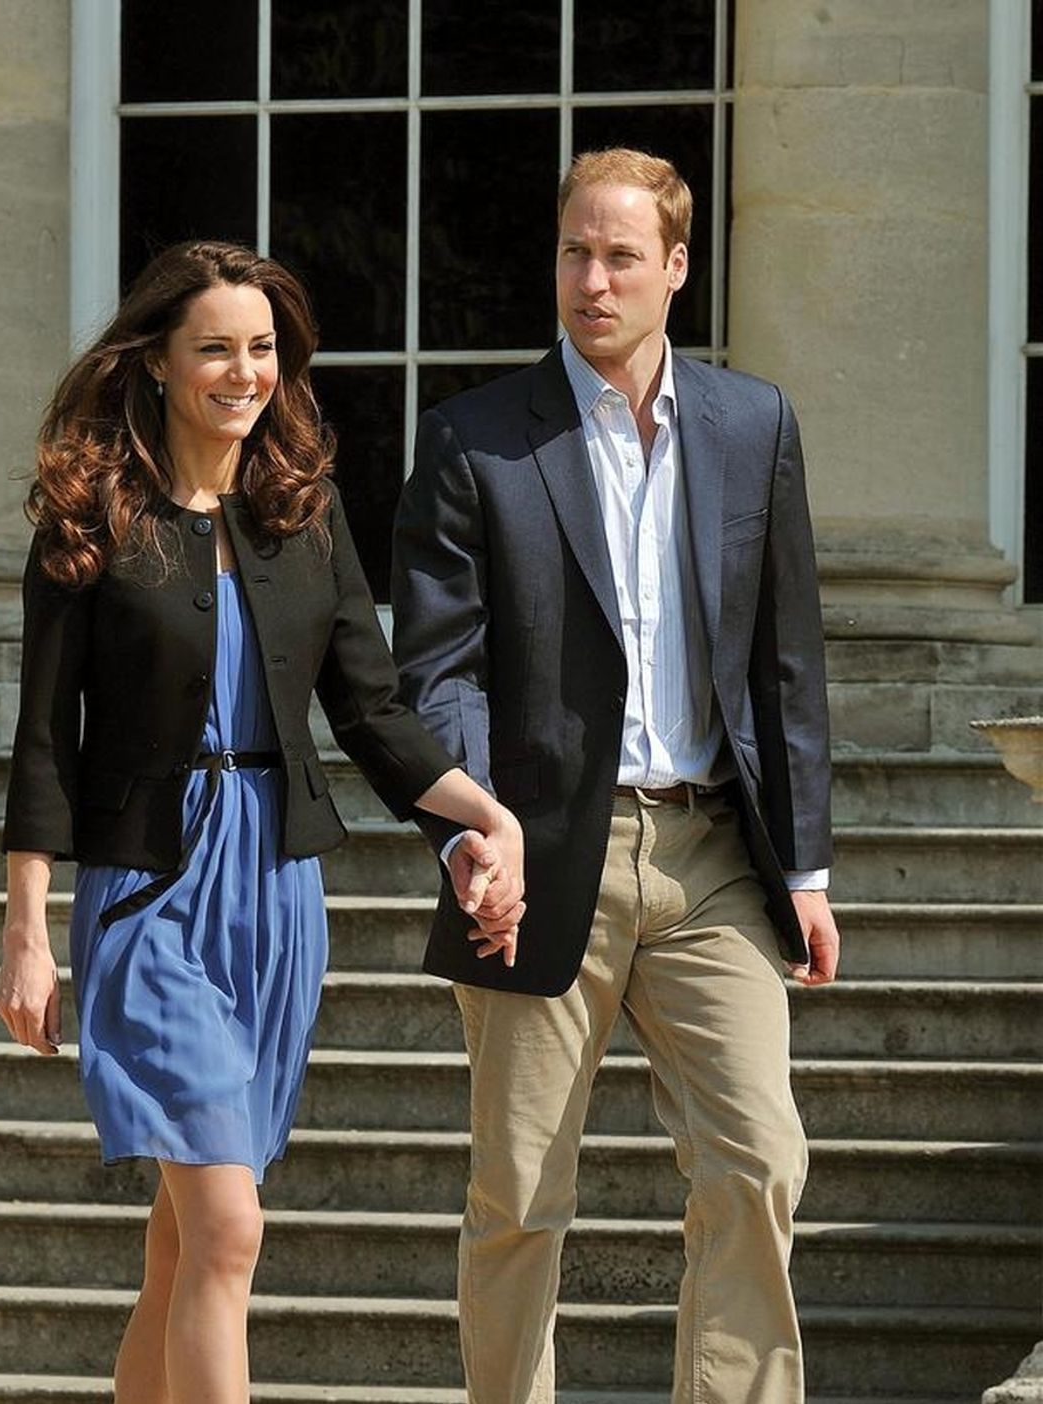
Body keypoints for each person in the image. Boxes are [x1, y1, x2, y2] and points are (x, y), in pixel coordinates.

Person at [0, 239, 524, 1404]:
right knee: (230, 1228)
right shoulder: (89, 519)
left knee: (187, 1243)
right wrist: (28, 933)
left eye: (263, 350)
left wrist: (482, 816)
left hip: (275, 894)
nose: (244, 372)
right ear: (159, 364)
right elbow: (44, 738)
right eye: (217, 349)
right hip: (147, 887)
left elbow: (374, 711)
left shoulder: (307, 513)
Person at [391, 149, 841, 1404]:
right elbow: (439, 670)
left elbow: (785, 660)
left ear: (676, 269)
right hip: (536, 864)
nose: (592, 281)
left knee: (759, 1160)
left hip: (711, 863)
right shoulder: (473, 441)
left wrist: (802, 865)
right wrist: (473, 829)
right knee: (522, 1195)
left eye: (622, 256)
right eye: (574, 253)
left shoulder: (755, 426)